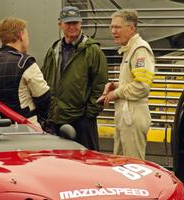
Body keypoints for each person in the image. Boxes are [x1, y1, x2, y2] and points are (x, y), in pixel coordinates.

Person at [41, 6, 108, 150]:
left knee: (86, 164)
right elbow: (45, 80)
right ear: (60, 24)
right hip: (56, 120)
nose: (72, 27)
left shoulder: (92, 51)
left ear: (81, 23)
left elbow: (100, 85)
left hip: (81, 122)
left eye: (75, 23)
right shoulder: (53, 50)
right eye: (68, 23)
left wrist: (88, 116)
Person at [97, 9, 155, 159]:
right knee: (121, 164)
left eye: (117, 27)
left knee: (133, 166)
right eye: (111, 27)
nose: (113, 31)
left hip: (133, 117)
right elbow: (132, 82)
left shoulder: (139, 49)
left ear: (131, 28)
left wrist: (115, 93)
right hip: (126, 117)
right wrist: (116, 86)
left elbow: (142, 86)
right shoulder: (129, 49)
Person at [0, 17, 50, 126]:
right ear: (21, 35)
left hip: (0, 128)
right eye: (27, 35)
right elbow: (44, 97)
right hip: (27, 127)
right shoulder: (26, 62)